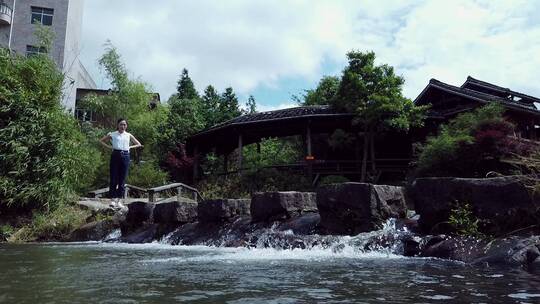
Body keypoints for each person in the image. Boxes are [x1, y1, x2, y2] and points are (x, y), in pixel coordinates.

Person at [99, 118, 143, 209]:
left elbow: (138, 144)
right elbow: (101, 141)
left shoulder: (128, 135)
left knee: (122, 179)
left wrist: (130, 147)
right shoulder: (113, 134)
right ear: (118, 125)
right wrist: (109, 146)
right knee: (113, 177)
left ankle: (119, 200)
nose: (123, 126)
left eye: (124, 125)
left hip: (125, 156)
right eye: (121, 124)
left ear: (126, 126)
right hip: (115, 155)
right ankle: (113, 200)